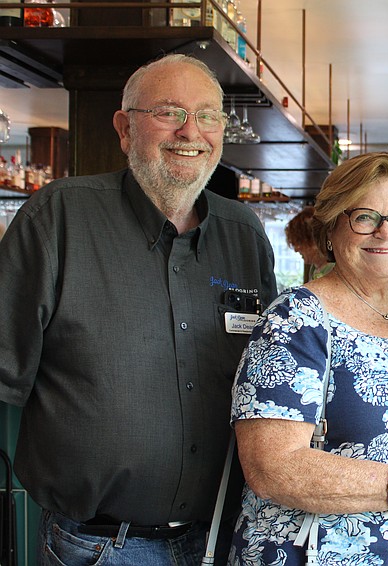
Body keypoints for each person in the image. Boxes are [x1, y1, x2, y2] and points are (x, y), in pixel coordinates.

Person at [0, 54, 278, 565]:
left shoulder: (245, 237)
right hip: (98, 545)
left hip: (223, 540)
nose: (191, 131)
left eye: (208, 115)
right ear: (125, 128)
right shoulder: (59, 218)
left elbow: (271, 376)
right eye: (169, 112)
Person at [230, 151, 388, 564]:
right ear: (331, 228)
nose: (386, 233)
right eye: (365, 217)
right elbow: (271, 467)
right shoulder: (296, 320)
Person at [285, 206, 334, 280]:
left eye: (299, 242)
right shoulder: (314, 269)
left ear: (314, 240)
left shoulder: (332, 270)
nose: (296, 250)